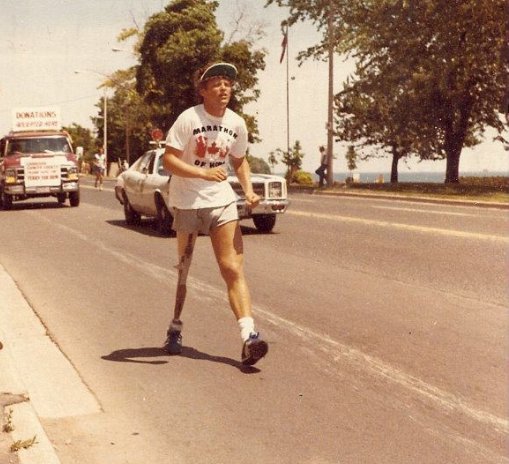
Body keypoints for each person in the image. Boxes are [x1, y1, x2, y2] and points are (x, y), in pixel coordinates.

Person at [162, 62, 268, 366]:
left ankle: (249, 336)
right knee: (184, 270)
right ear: (203, 90)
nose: (224, 88)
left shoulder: (236, 123)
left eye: (228, 84)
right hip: (187, 202)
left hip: (221, 201)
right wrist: (201, 173)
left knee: (232, 268)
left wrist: (247, 190)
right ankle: (175, 326)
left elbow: (239, 160)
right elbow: (169, 160)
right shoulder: (188, 119)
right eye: (217, 83)